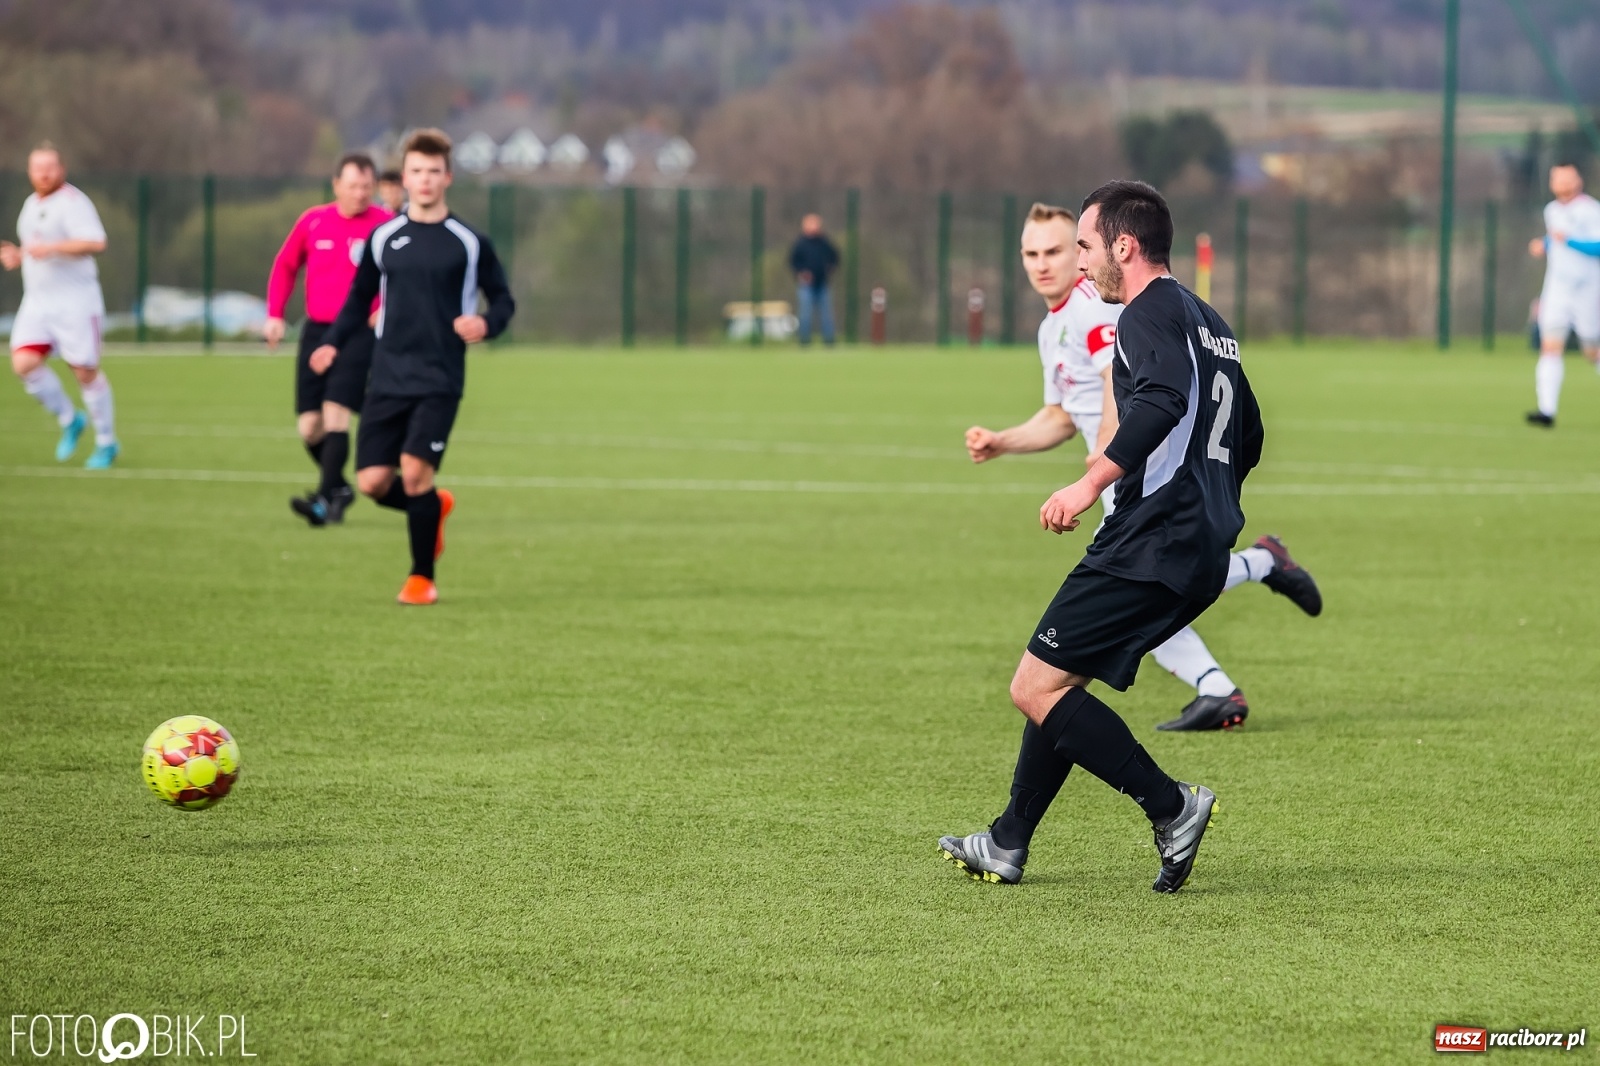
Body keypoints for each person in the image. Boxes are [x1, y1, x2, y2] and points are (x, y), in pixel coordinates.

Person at [939, 180, 1262, 893]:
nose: (1081, 264)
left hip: (1151, 536)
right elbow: (1252, 433)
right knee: (1061, 679)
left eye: (1084, 245)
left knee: (1032, 685)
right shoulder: (1210, 322)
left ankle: (1171, 806)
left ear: (1125, 244)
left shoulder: (1144, 312)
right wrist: (1212, 505)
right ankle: (1008, 839)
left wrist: (1090, 483)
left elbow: (1162, 401)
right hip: (1196, 540)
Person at [965, 203, 1321, 731]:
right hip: (1123, 472)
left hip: (1133, 471)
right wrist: (1004, 441)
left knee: (1144, 586)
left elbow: (1122, 381)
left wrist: (1105, 456)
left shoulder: (1099, 308)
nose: (1044, 264)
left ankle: (1222, 664)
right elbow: (1062, 417)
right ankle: (1225, 663)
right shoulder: (1053, 326)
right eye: (1031, 253)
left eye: (1063, 249)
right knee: (1156, 586)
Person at [314, 129, 514, 606]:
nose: (424, 180)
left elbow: (504, 300)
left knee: (415, 471)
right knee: (372, 482)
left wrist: (485, 324)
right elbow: (358, 298)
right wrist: (332, 344)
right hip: (387, 375)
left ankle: (421, 578)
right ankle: (431, 508)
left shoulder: (468, 242)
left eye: (433, 172)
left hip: (440, 377)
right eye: (416, 172)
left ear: (448, 177)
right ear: (404, 178)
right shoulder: (383, 237)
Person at [265, 152, 393, 526]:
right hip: (317, 330)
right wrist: (274, 314)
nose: (360, 194)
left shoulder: (385, 225)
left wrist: (385, 305)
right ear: (336, 185)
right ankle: (338, 487)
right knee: (310, 427)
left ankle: (325, 502)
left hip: (358, 333)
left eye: (367, 187)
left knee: (336, 412)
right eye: (353, 186)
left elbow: (402, 276)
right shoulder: (313, 221)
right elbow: (285, 266)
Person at [3, 143, 119, 469]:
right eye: (38, 168)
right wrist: (17, 254)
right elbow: (34, 248)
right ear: (29, 172)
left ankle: (107, 443)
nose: (44, 173)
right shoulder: (29, 204)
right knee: (24, 364)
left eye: (50, 167)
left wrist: (53, 248)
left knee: (84, 371)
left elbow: (96, 242)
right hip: (38, 302)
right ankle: (70, 419)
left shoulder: (73, 202)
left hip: (76, 303)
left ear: (62, 169)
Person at [1526, 163, 1600, 427]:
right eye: (1557, 179)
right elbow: (1555, 239)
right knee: (1550, 346)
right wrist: (1543, 244)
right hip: (1557, 289)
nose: (1563, 184)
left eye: (1567, 179)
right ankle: (1547, 411)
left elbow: (1598, 245)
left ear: (1577, 181)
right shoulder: (1552, 210)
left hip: (1588, 289)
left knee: (1593, 351)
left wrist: (1569, 240)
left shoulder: (1591, 210)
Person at [788, 214, 839, 346]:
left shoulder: (824, 242)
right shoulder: (800, 243)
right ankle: (804, 341)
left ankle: (829, 341)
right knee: (805, 314)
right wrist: (802, 273)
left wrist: (830, 268)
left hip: (822, 283)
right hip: (806, 285)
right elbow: (793, 262)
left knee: (826, 314)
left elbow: (835, 257)